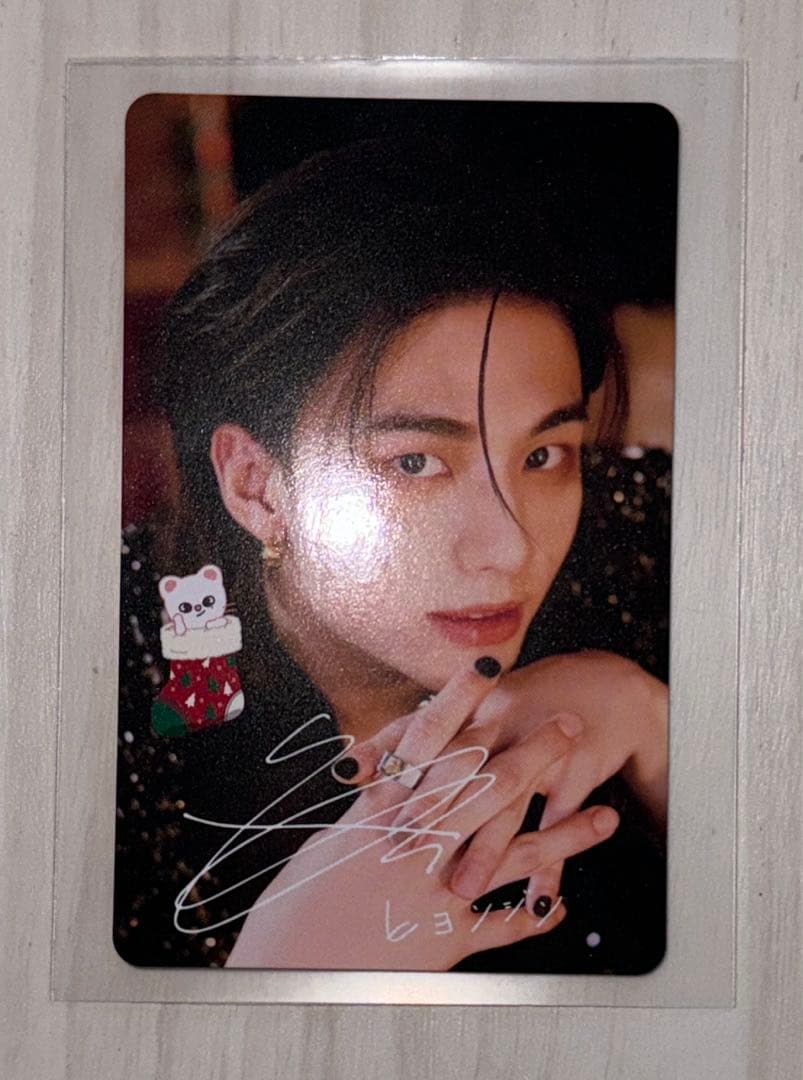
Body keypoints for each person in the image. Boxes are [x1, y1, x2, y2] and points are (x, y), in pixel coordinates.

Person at [115, 135, 668, 973]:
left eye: (542, 454)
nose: (509, 547)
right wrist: (282, 976)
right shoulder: (84, 675)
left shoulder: (652, 538)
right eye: (413, 464)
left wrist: (654, 722)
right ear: (257, 485)